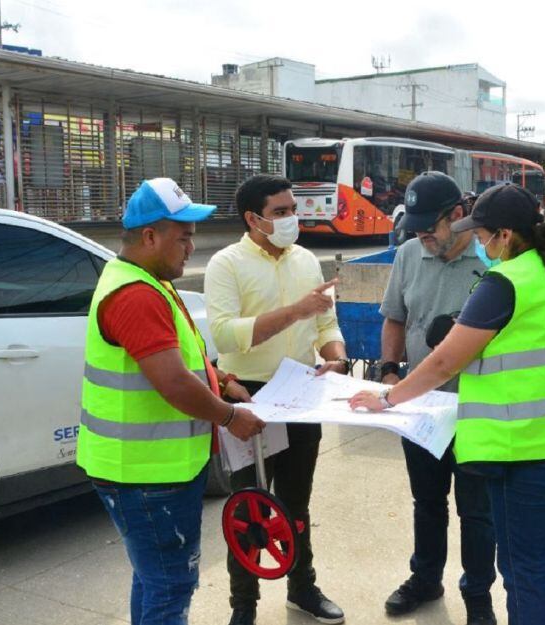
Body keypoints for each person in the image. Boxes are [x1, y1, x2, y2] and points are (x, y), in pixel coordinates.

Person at [350, 184, 545, 625]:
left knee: (524, 570)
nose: (482, 242)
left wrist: (387, 396)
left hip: (527, 452)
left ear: (504, 235)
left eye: (484, 234)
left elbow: (446, 359)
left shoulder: (504, 282)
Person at [77, 177, 266, 625]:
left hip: (151, 469)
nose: (191, 248)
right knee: (169, 585)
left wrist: (220, 379)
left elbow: (179, 359)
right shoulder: (136, 294)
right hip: (146, 476)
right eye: (184, 238)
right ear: (149, 237)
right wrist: (230, 415)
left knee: (153, 578)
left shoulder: (147, 280)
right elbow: (173, 382)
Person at [205, 174, 349, 625]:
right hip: (248, 395)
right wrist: (296, 312)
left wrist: (337, 357)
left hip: (302, 391)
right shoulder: (225, 264)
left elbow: (325, 325)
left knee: (296, 504)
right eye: (280, 212)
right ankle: (243, 606)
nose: (292, 219)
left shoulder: (306, 260)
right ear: (253, 218)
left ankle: (303, 588)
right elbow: (226, 334)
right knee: (249, 508)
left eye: (293, 209)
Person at [378, 172, 497, 624]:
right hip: (420, 409)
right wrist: (390, 369)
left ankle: (478, 596)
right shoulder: (409, 255)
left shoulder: (490, 259)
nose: (424, 235)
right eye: (417, 227)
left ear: (459, 215)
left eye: (432, 225)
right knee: (427, 502)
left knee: (476, 510)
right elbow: (394, 318)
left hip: (475, 409)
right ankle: (425, 579)